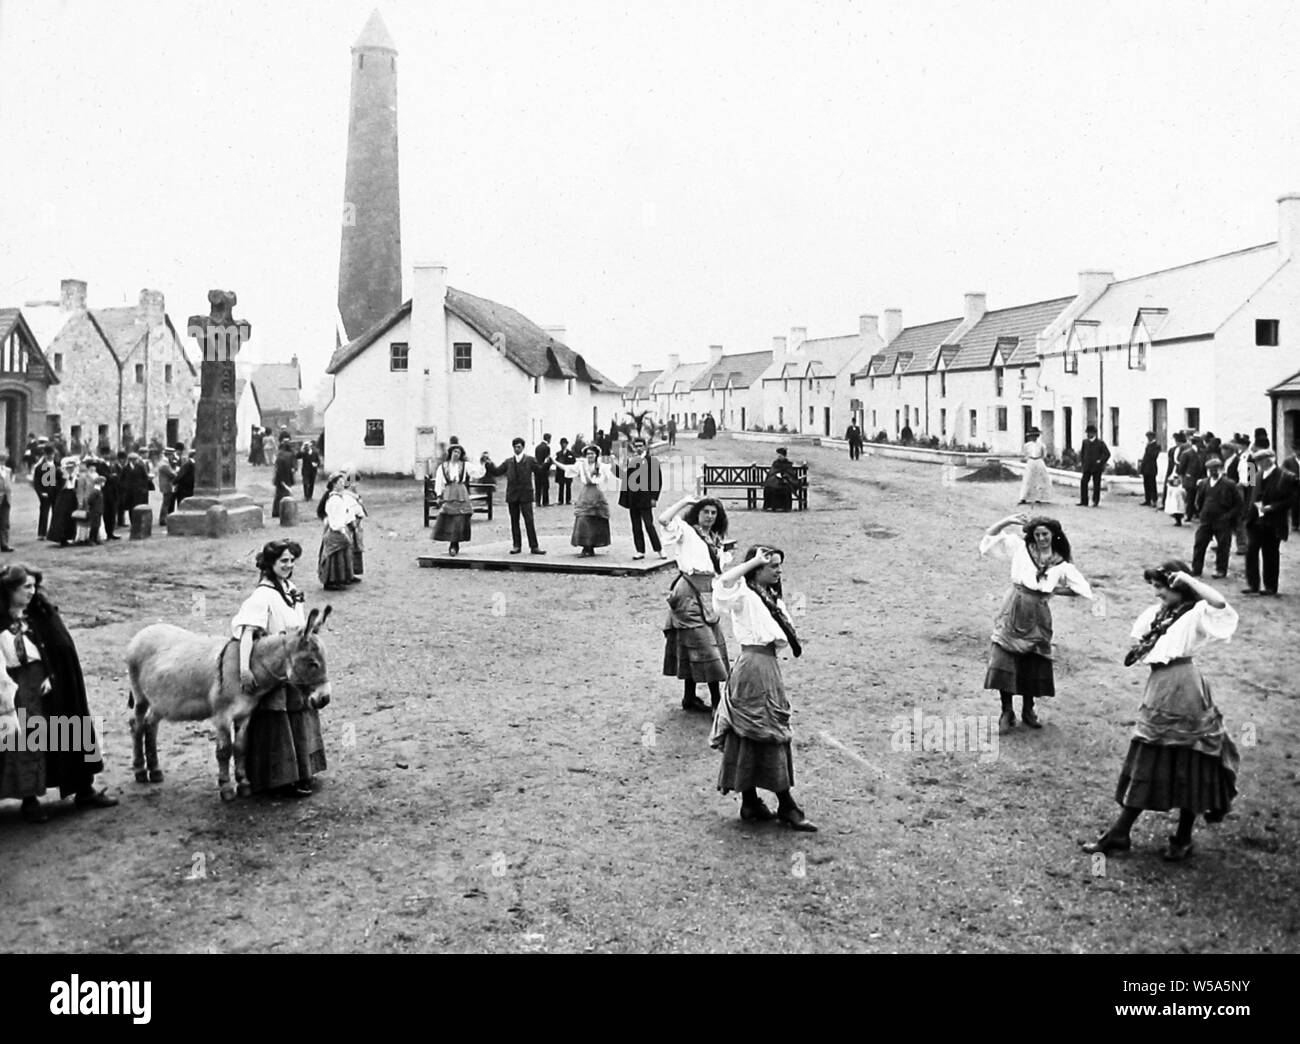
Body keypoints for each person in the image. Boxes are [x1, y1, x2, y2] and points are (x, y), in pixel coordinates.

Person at [1082, 565, 1238, 861]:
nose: (1157, 593)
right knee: (1152, 754)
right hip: (1161, 686)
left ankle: (1180, 836)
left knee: (1189, 758)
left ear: (1180, 588)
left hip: (1183, 688)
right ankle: (1121, 832)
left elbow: (1220, 603)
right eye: (1155, 586)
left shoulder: (1196, 613)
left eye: (1162, 587)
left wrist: (1189, 578)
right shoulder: (1161, 614)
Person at [0, 564, 118, 822]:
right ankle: (29, 799)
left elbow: (61, 646)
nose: (32, 592)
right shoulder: (2, 620)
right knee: (25, 739)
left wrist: (51, 672)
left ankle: (84, 789)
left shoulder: (42, 614)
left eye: (34, 586)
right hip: (14, 684)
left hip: (52, 681)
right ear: (10, 589)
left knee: (69, 727)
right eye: (26, 587)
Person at [709, 546, 815, 831]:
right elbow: (722, 583)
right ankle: (787, 806)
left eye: (779, 565)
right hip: (753, 667)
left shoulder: (769, 598)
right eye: (772, 566)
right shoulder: (744, 594)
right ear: (757, 570)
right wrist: (754, 560)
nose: (778, 571)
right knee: (763, 728)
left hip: (765, 666)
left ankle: (750, 802)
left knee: (757, 729)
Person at [980, 513, 1093, 733]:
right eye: (1037, 534)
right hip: (1014, 606)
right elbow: (990, 537)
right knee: (1004, 656)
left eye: (1045, 534)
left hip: (1038, 614)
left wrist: (1052, 590)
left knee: (1033, 659)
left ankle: (1028, 709)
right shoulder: (1021, 548)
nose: (1041, 539)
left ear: (1054, 535)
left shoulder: (1060, 562)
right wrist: (1009, 521)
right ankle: (1006, 711)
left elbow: (1081, 589)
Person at [233, 540, 327, 797]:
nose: (289, 565)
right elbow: (247, 633)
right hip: (273, 666)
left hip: (293, 664)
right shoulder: (262, 595)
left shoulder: (290, 588)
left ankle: (303, 771)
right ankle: (278, 779)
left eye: (291, 560)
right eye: (283, 561)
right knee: (277, 719)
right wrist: (244, 669)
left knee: (301, 714)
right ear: (270, 564)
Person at [658, 495, 731, 714]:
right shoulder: (687, 532)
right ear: (696, 513)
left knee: (697, 643)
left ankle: (689, 697)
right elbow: (663, 519)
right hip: (688, 592)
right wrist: (684, 501)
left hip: (707, 594)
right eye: (705, 512)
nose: (709, 516)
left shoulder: (715, 539)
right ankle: (717, 702)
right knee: (704, 644)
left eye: (713, 513)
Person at [1242, 448, 1300, 596]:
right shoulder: (1256, 475)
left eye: (1262, 461)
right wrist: (1247, 513)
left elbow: (1292, 499)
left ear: (1269, 460)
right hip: (1255, 520)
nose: (1259, 464)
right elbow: (1250, 495)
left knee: (1270, 553)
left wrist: (1273, 507)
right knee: (1251, 551)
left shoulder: (1285, 476)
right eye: (1258, 461)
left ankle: (1270, 586)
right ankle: (1253, 584)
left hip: (1273, 521)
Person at [482, 438, 548, 555]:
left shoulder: (530, 460)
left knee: (529, 520)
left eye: (519, 447)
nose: (517, 449)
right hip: (512, 495)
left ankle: (534, 546)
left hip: (526, 495)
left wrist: (548, 463)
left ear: (523, 447)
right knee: (514, 521)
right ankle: (516, 545)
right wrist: (489, 463)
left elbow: (540, 471)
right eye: (515, 447)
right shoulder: (508, 462)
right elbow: (497, 471)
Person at [554, 445, 615, 556]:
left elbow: (599, 478)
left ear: (596, 455)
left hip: (597, 493)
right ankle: (585, 546)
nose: (590, 456)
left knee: (595, 519)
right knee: (583, 518)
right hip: (585, 494)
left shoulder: (601, 466)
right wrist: (554, 462)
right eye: (588, 454)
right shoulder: (581, 465)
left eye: (592, 453)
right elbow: (568, 468)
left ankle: (591, 546)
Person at [1190, 456, 1242, 579]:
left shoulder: (1229, 484)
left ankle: (1221, 570)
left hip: (1222, 520)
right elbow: (1199, 501)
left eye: (1215, 469)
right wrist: (1202, 513)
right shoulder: (1204, 483)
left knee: (1223, 546)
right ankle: (1196, 569)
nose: (1213, 472)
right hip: (1206, 519)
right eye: (1210, 470)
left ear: (1221, 469)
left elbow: (1239, 503)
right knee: (1199, 543)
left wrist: (1228, 516)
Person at [613, 436, 664, 560]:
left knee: (649, 524)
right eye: (636, 446)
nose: (639, 448)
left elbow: (657, 481)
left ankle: (659, 549)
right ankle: (640, 550)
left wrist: (654, 498)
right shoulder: (631, 461)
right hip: (633, 498)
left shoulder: (652, 461)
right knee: (636, 525)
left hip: (646, 498)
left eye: (641, 446)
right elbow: (625, 478)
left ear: (645, 447)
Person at [317, 471, 361, 590]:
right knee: (334, 555)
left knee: (343, 554)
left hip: (341, 527)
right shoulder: (334, 499)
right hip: (336, 529)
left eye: (343, 481)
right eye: (340, 482)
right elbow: (335, 518)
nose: (343, 484)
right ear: (334, 484)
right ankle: (331, 581)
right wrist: (342, 530)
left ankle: (343, 578)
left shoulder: (341, 497)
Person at [431, 445, 477, 556]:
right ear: (451, 453)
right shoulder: (443, 467)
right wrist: (439, 495)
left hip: (461, 493)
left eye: (459, 452)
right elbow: (439, 481)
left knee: (459, 519)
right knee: (448, 518)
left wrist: (483, 463)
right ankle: (450, 541)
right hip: (449, 493)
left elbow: (476, 472)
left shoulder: (465, 465)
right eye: (455, 451)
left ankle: (454, 545)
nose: (456, 454)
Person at [45, 458, 80, 548]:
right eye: (69, 467)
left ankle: (69, 536)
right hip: (63, 495)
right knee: (61, 517)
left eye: (72, 467)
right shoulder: (59, 472)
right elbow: (52, 484)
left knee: (70, 517)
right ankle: (61, 538)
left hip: (72, 495)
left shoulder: (75, 474)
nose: (71, 469)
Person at [1017, 427, 1051, 506]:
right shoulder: (1027, 445)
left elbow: (1044, 455)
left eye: (1035, 435)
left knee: (1040, 479)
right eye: (1032, 436)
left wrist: (1039, 459)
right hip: (1031, 461)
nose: (1033, 437)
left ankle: (1038, 498)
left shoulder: (1041, 445)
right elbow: (1024, 454)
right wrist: (1029, 459)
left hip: (1039, 461)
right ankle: (1023, 498)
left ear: (1038, 436)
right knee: (1028, 479)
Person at [1078, 424, 1110, 506]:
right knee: (1083, 482)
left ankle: (1095, 501)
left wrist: (1100, 461)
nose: (1088, 434)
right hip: (1087, 467)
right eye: (1087, 433)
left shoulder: (1100, 443)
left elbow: (1107, 454)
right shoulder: (1085, 442)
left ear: (1094, 433)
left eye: (1090, 433)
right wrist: (1083, 462)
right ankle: (1084, 501)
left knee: (1096, 484)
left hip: (1096, 467)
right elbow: (1082, 453)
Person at [33, 445, 57, 540]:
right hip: (45, 493)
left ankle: (54, 532)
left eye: (51, 454)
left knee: (56, 512)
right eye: (48, 454)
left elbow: (61, 479)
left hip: (55, 492)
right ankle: (42, 533)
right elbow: (36, 483)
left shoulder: (58, 465)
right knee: (44, 513)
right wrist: (41, 493)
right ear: (45, 455)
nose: (50, 456)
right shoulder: (39, 467)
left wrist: (59, 489)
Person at [272, 437, 296, 519]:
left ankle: (276, 512)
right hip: (287, 478)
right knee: (286, 495)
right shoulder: (291, 455)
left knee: (278, 496)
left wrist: (279, 479)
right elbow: (293, 467)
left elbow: (277, 468)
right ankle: (285, 512)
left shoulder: (280, 455)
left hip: (280, 479)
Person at [1139, 431, 1162, 507]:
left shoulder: (1156, 446)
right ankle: (1147, 499)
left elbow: (1153, 456)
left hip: (1151, 468)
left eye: (1149, 437)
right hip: (1146, 468)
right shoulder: (1148, 445)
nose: (1148, 438)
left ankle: (1154, 500)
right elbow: (1145, 457)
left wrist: (1149, 447)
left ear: (1152, 437)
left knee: (1152, 485)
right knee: (1146, 484)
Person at [156, 450, 177, 527]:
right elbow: (171, 474)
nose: (172, 457)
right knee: (166, 503)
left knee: (166, 503)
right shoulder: (164, 464)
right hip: (166, 485)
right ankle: (162, 519)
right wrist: (176, 473)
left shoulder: (164, 463)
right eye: (172, 455)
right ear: (169, 455)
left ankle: (163, 518)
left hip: (166, 485)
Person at [553, 438, 575, 506]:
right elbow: (556, 462)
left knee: (568, 486)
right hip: (560, 473)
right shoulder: (558, 454)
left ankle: (568, 500)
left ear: (567, 444)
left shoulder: (570, 453)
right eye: (562, 444)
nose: (563, 445)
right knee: (561, 486)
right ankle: (560, 500)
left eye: (565, 443)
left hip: (568, 472)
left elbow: (573, 462)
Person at [533, 434, 553, 507]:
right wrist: (549, 465)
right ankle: (545, 502)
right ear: (548, 439)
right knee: (545, 486)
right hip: (544, 470)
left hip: (537, 470)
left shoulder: (537, 447)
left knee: (538, 486)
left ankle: (538, 502)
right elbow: (547, 460)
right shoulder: (547, 448)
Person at [1285, 447, 1300, 532]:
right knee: (1295, 504)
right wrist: (1292, 476)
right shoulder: (1288, 461)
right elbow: (1284, 470)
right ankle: (1295, 524)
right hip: (1294, 485)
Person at [0, 450, 12, 552]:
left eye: (4, 460)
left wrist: (10, 494)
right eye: (1, 460)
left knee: (5, 522)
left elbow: (8, 484)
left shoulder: (8, 470)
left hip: (6, 498)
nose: (2, 462)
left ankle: (4, 544)